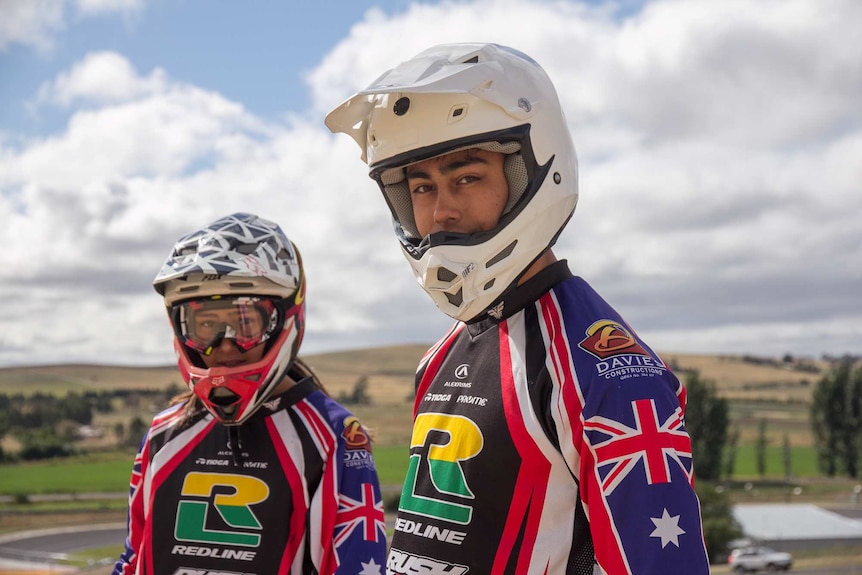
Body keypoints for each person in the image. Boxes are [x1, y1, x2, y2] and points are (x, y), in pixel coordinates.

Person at [326, 43, 710, 574]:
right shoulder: (439, 356)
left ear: (529, 173)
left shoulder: (601, 372)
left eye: (467, 178)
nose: (441, 211)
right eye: (420, 186)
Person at [113, 213, 387, 575]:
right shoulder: (163, 435)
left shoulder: (334, 437)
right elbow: (133, 560)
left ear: (282, 320)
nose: (225, 345)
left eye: (245, 323)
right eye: (206, 325)